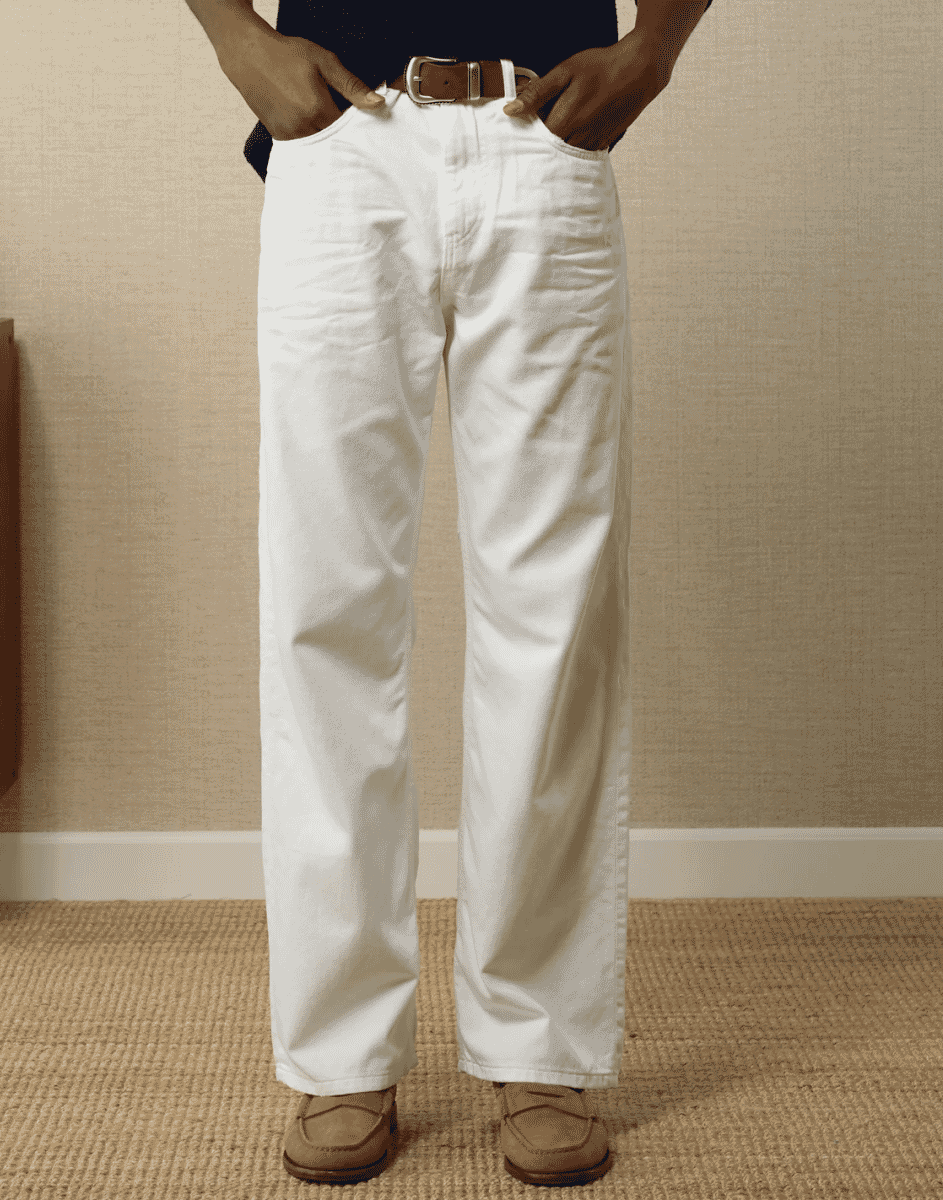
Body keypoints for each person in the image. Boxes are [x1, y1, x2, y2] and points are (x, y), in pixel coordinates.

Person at [185, 0, 710, 1185]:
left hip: (542, 136)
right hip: (343, 143)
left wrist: (657, 48)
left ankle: (538, 1039)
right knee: (325, 605)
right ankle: (338, 1057)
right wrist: (232, 36)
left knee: (552, 609)